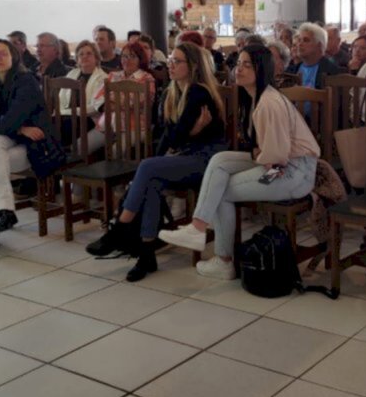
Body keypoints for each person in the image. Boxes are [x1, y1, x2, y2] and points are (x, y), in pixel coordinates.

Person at [158, 45, 320, 279]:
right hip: (276, 164)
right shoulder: (255, 98)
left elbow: (277, 157)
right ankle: (198, 227)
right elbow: (263, 150)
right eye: (238, 64)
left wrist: (257, 157)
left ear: (261, 69)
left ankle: (223, 260)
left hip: (290, 173)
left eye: (247, 65)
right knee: (220, 160)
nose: (239, 69)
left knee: (221, 190)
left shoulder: (269, 103)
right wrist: (257, 155)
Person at [88, 43, 228, 281]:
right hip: (185, 157)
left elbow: (176, 136)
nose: (170, 65)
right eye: (170, 60)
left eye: (177, 61)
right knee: (150, 178)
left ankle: (119, 230)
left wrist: (188, 133)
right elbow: (167, 136)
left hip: (208, 162)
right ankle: (146, 255)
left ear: (192, 66)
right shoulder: (173, 92)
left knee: (147, 168)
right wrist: (163, 153)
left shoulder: (198, 92)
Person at [0, 39, 56, 249]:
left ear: (14, 56)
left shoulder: (26, 81)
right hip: (12, 139)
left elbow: (10, 119)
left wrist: (15, 127)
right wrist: (18, 129)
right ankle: (2, 212)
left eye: (3, 53)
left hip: (36, 146)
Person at [94, 42, 156, 135]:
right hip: (106, 126)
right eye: (124, 56)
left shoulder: (147, 78)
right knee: (80, 146)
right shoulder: (113, 75)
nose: (127, 60)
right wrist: (110, 104)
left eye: (132, 56)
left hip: (135, 128)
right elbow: (97, 98)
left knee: (114, 150)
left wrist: (110, 100)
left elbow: (133, 102)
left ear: (140, 59)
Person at [58, 40, 108, 151]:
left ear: (96, 58)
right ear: (77, 60)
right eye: (81, 54)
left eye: (89, 53)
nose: (85, 56)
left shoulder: (103, 78)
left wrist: (69, 112)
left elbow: (95, 108)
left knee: (62, 125)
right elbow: (61, 99)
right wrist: (63, 113)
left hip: (89, 119)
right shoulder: (71, 74)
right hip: (66, 116)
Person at [289, 22, 340, 89]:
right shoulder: (291, 71)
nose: (300, 44)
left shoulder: (332, 71)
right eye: (299, 40)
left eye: (306, 40)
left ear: (319, 45)